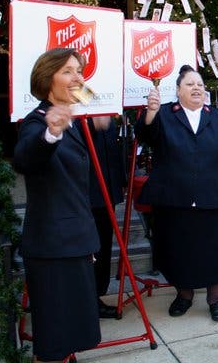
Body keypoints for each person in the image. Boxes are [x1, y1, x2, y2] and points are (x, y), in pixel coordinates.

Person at [135, 65, 218, 322]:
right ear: (178, 91)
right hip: (175, 200)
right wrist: (150, 112)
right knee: (179, 252)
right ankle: (184, 296)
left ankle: (216, 300)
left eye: (200, 84)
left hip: (214, 199)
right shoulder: (164, 114)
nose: (197, 87)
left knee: (217, 252)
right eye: (190, 84)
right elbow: (144, 135)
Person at [14, 48, 101, 362]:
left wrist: (87, 240)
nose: (77, 78)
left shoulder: (75, 120)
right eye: (67, 71)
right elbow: (26, 158)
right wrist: (51, 133)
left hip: (75, 242)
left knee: (70, 340)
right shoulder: (37, 122)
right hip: (52, 249)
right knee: (53, 345)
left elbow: (76, 188)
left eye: (79, 70)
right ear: (46, 78)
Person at [86, 116, 127, 319]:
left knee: (103, 247)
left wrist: (121, 180)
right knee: (90, 250)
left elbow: (113, 148)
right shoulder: (75, 104)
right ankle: (88, 300)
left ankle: (97, 295)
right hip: (86, 193)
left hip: (107, 192)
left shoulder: (104, 105)